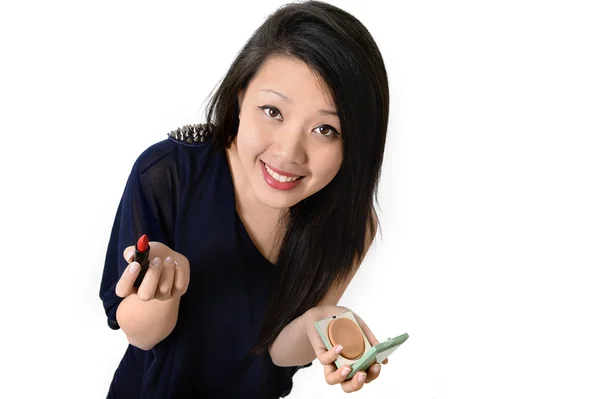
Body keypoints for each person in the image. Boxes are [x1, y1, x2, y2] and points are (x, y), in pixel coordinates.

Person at [99, 1, 390, 397]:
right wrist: (165, 292)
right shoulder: (169, 172)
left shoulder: (353, 224)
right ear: (240, 96)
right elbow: (142, 337)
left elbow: (277, 354)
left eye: (325, 129)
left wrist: (316, 324)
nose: (289, 152)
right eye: (272, 110)